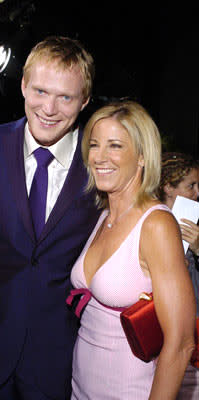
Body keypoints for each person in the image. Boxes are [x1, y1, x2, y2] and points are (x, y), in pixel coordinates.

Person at [0, 36, 100, 399]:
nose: (49, 108)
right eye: (40, 91)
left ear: (85, 100)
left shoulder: (100, 163)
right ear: (22, 86)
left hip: (63, 356)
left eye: (65, 97)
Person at [68, 100, 196, 399]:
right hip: (81, 386)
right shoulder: (103, 217)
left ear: (141, 156)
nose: (99, 156)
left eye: (115, 146)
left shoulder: (157, 225)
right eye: (95, 145)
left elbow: (181, 344)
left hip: (128, 391)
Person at [157, 151, 199, 400]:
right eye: (191, 185)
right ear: (167, 187)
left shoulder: (196, 224)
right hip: (154, 336)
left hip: (191, 341)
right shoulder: (148, 220)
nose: (197, 193)